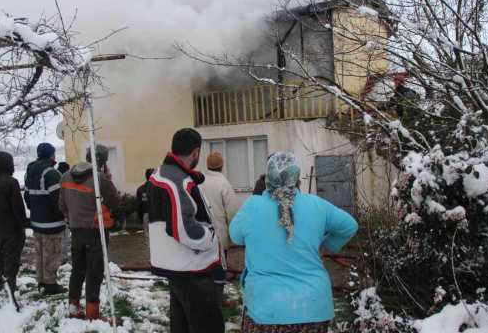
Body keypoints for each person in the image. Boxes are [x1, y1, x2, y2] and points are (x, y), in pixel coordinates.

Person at [229, 152, 358, 333]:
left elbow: (235, 236)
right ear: (297, 178)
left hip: (265, 308)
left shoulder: (252, 206)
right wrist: (327, 246)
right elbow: (349, 226)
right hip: (312, 307)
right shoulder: (317, 205)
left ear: (268, 178)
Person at [147, 128, 225, 333]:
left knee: (182, 324)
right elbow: (184, 229)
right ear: (196, 153)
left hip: (177, 265)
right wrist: (209, 238)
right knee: (208, 325)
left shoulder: (164, 173)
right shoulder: (176, 180)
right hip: (190, 267)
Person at [59, 144, 122, 320]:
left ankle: (73, 307)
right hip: (95, 233)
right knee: (94, 271)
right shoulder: (99, 178)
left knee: (77, 270)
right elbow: (116, 203)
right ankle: (92, 314)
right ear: (102, 161)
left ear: (87, 156)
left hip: (76, 231)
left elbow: (61, 206)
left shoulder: (65, 176)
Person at [0, 151, 30, 293]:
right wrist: (26, 223)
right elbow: (18, 209)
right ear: (9, 164)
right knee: (11, 261)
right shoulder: (11, 183)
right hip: (13, 230)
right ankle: (10, 290)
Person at [24, 142, 67, 295]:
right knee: (52, 254)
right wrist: (64, 215)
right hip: (52, 223)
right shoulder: (52, 173)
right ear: (51, 155)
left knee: (40, 253)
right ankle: (50, 285)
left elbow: (27, 196)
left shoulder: (30, 172)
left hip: (36, 222)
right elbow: (59, 200)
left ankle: (41, 281)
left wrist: (35, 210)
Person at [202, 152, 238, 259]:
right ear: (222, 166)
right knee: (221, 268)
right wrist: (233, 235)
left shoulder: (199, 182)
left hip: (202, 233)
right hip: (219, 234)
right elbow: (232, 211)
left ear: (207, 165)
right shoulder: (224, 183)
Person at [57, 161, 72, 265]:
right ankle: (63, 257)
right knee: (65, 235)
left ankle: (61, 256)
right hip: (64, 212)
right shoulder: (66, 180)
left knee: (60, 236)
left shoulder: (57, 179)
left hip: (57, 213)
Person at [136, 168, 155, 236]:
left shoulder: (140, 189)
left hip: (146, 215)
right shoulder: (159, 189)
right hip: (157, 217)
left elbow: (139, 206)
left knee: (148, 238)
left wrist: (141, 218)